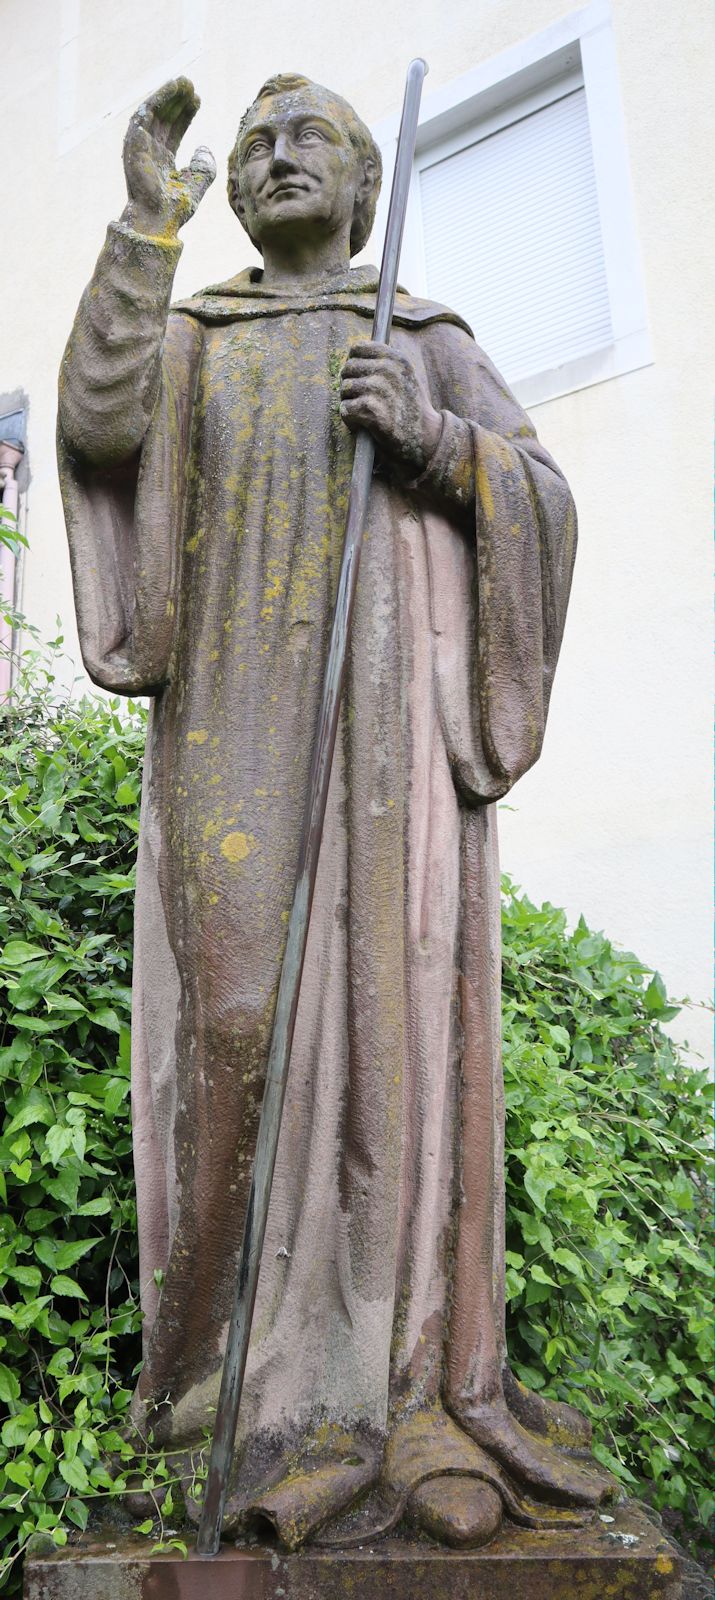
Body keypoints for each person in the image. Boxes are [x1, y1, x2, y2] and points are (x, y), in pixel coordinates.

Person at [58, 73, 612, 1549]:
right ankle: (216, 1393)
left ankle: (387, 1388)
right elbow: (101, 427)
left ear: (367, 187)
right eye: (256, 143)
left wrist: (434, 442)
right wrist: (140, 233)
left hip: (382, 750)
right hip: (232, 716)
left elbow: (548, 507)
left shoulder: (419, 334)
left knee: (388, 1034)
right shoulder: (195, 327)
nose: (278, 153)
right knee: (228, 1026)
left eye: (311, 138)